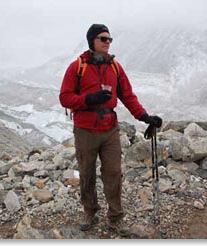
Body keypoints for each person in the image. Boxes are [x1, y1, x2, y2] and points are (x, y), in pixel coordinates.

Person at [59, 24, 162, 234]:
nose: (108, 42)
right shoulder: (77, 67)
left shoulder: (114, 66)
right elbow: (65, 97)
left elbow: (128, 96)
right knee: (87, 174)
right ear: (92, 41)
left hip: (109, 129)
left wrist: (145, 117)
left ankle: (115, 216)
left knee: (113, 173)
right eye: (103, 38)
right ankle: (90, 211)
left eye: (109, 39)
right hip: (85, 130)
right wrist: (89, 99)